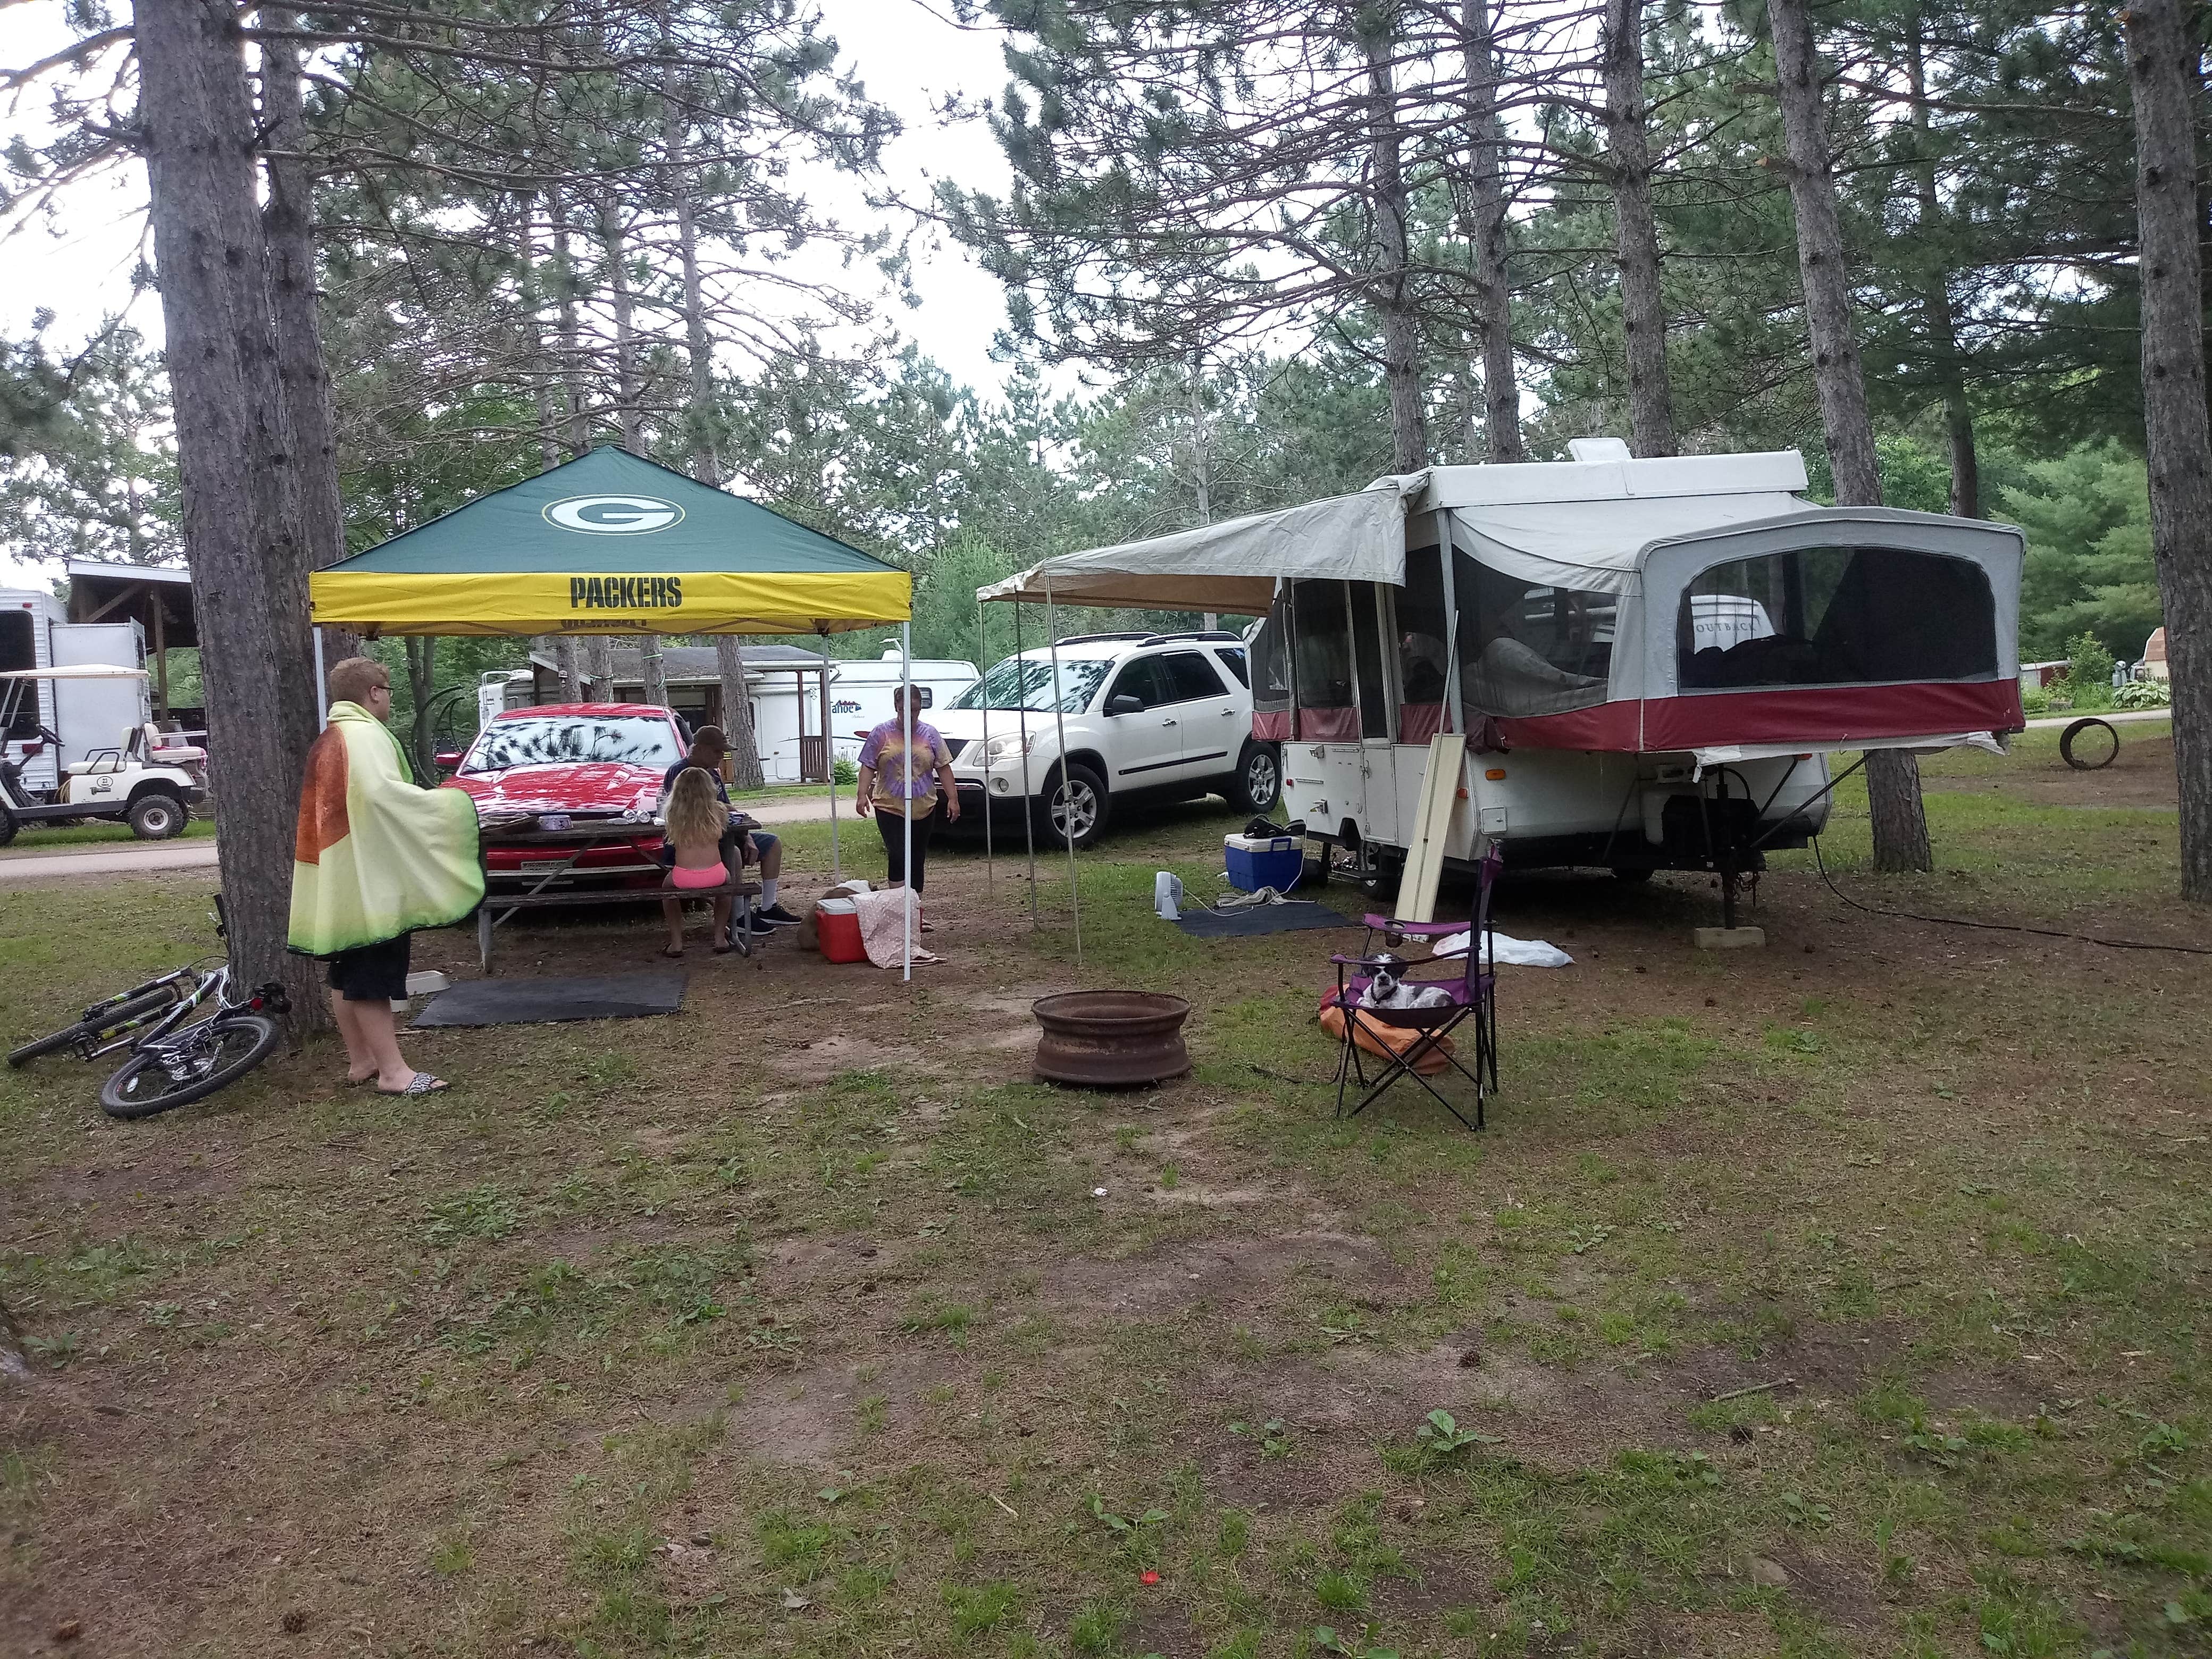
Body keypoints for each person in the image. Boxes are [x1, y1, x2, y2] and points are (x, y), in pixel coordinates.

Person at [289, 656, 482, 1095]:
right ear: (374, 692)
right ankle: (394, 1074)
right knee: (372, 971)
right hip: (367, 874)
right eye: (388, 692)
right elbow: (382, 798)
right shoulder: (363, 736)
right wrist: (449, 804)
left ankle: (363, 1061)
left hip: (340, 871)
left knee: (346, 967)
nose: (389, 701)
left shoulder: (331, 736)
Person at [659, 725, 798, 934]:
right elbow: (691, 812)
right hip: (696, 844)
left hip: (723, 835)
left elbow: (730, 811)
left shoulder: (714, 774)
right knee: (733, 854)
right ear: (700, 749)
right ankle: (739, 916)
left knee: (772, 844)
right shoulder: (682, 773)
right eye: (717, 751)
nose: (721, 757)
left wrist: (747, 837)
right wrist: (722, 810)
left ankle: (768, 907)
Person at [854, 685, 960, 903]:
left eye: (915, 710)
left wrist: (953, 799)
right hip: (889, 805)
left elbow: (943, 767)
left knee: (917, 857)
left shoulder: (930, 734)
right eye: (905, 709)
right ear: (897, 707)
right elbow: (868, 765)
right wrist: (862, 794)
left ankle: (915, 907)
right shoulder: (881, 733)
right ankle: (899, 905)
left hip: (924, 806)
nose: (910, 715)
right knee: (898, 854)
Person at [659, 766, 736, 958]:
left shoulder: (673, 814)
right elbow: (730, 815)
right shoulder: (717, 812)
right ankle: (720, 937)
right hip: (715, 874)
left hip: (683, 877)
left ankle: (677, 943)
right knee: (727, 886)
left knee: (667, 891)